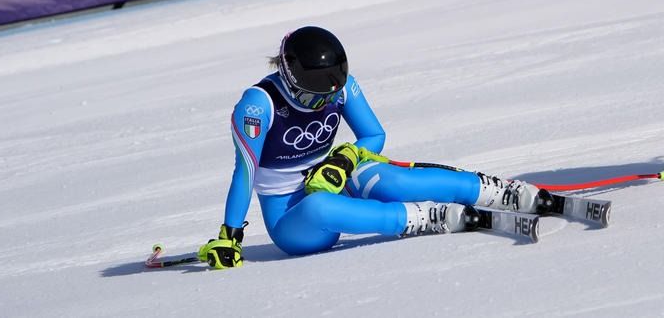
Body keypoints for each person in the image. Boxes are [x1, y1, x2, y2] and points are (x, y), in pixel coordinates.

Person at [198, 25, 542, 269]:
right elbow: (245, 173)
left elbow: (373, 136)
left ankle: (494, 191)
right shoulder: (258, 106)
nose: (324, 104)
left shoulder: (341, 87)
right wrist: (230, 236)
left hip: (333, 181)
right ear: (290, 80)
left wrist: (344, 159)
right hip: (293, 221)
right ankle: (422, 217)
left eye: (330, 96)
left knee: (389, 179)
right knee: (318, 207)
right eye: (313, 99)